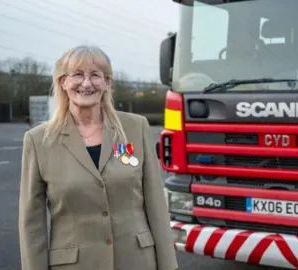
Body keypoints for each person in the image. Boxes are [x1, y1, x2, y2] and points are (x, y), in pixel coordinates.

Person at [18, 45, 178, 270]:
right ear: (63, 82)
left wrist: (168, 266)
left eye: (95, 75)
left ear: (107, 83)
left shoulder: (135, 127)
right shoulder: (38, 140)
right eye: (77, 75)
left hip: (137, 261)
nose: (86, 83)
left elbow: (155, 204)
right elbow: (31, 222)